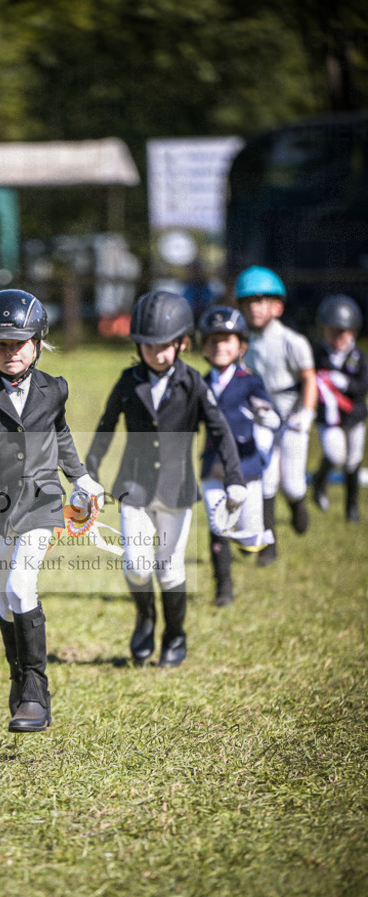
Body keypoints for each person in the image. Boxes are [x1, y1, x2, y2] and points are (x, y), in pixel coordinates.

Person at [0, 288, 103, 733]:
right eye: (0, 345)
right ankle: (18, 679)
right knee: (4, 601)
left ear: (37, 341)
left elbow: (62, 435)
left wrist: (81, 478)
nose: (11, 352)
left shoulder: (55, 389)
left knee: (19, 585)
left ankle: (36, 691)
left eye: (19, 343)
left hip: (42, 503)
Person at [85, 290, 246, 668]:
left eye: (165, 346)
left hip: (176, 489)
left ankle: (175, 634)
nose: (157, 354)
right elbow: (106, 427)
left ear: (182, 343)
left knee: (169, 567)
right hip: (135, 486)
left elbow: (220, 431)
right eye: (148, 346)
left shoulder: (194, 383)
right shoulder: (128, 381)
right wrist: (88, 473)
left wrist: (234, 478)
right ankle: (145, 617)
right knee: (137, 564)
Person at [198, 305, 281, 606]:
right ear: (204, 346)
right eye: (213, 341)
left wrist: (268, 417)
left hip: (246, 466)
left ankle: (252, 544)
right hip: (214, 466)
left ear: (241, 345)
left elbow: (271, 415)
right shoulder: (199, 383)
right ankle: (223, 587)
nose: (220, 346)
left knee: (248, 533)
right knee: (217, 524)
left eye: (227, 340)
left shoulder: (251, 381)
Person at [234, 266, 318, 565]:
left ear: (277, 306)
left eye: (262, 301)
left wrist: (306, 415)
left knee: (292, 484)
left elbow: (309, 379)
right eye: (248, 302)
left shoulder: (293, 342)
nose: (255, 308)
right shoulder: (241, 343)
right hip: (262, 419)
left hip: (292, 418)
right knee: (265, 480)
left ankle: (298, 505)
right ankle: (268, 545)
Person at [311, 294, 367, 523]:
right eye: (331, 332)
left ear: (352, 332)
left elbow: (363, 386)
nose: (336, 338)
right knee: (336, 455)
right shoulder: (318, 355)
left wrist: (347, 384)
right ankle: (319, 480)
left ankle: (351, 507)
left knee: (353, 460)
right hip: (328, 418)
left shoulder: (358, 357)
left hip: (354, 417)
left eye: (341, 333)